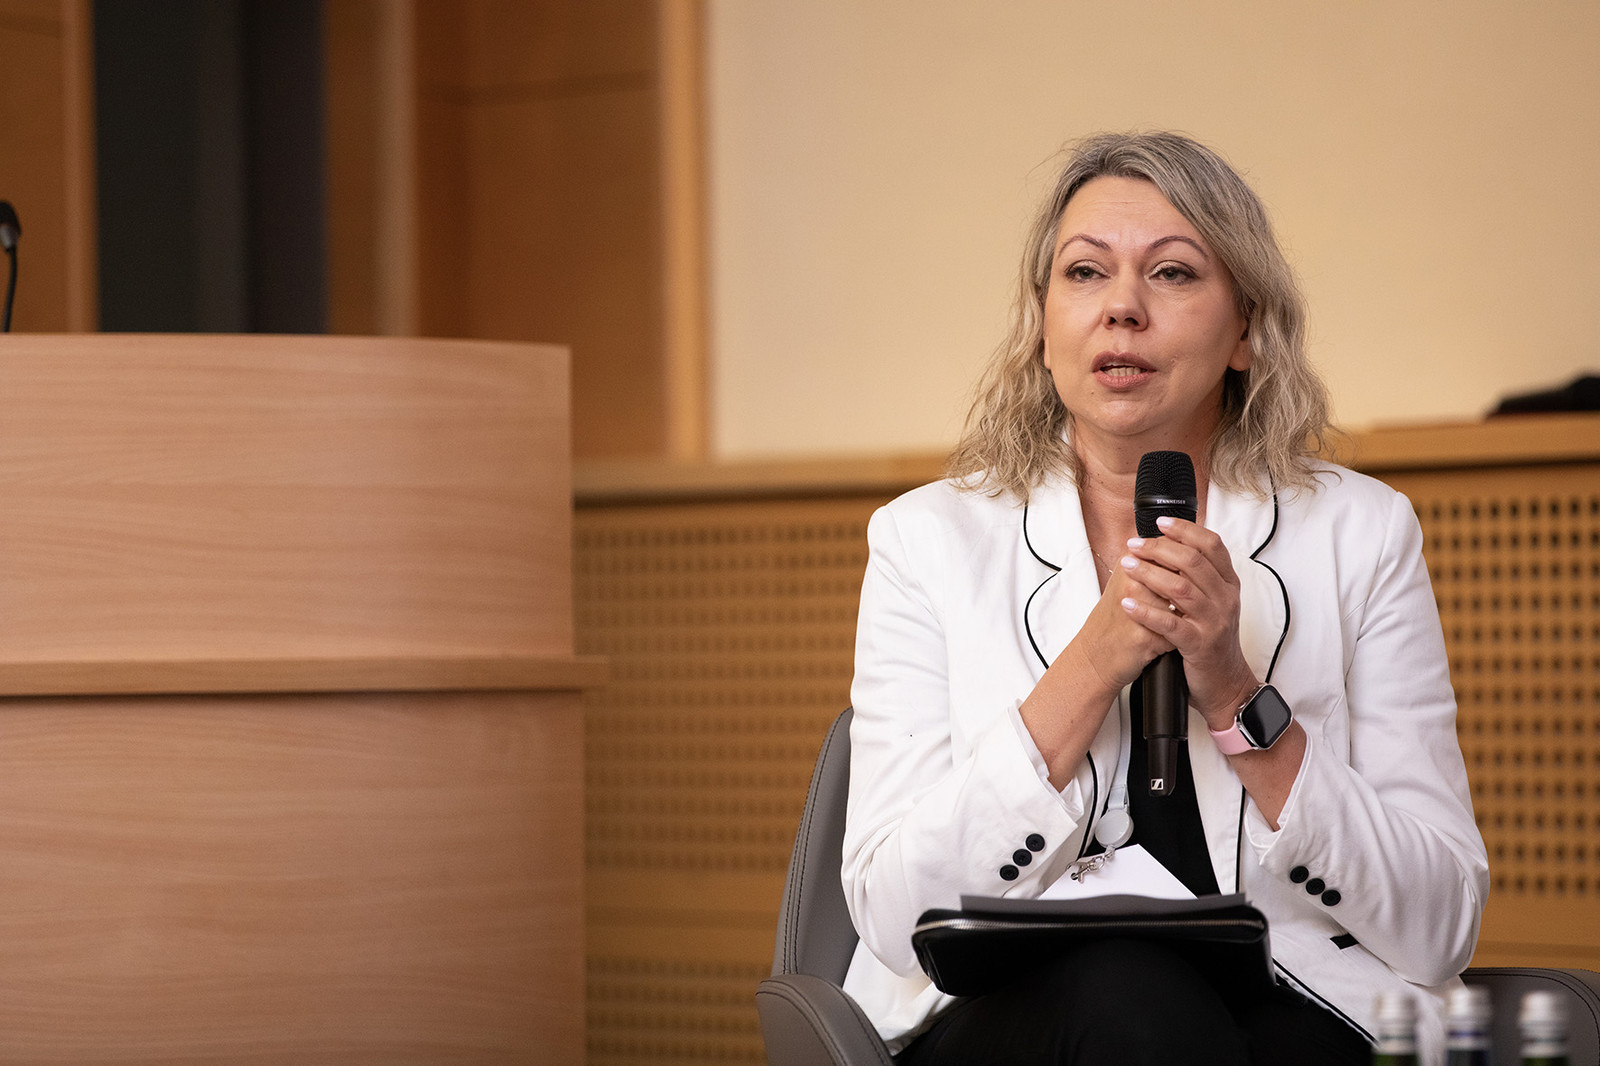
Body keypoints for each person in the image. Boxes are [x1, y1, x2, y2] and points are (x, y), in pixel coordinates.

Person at [840, 131, 1489, 1066]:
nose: (1122, 308)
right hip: (1011, 1014)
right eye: (1084, 272)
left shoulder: (1363, 533)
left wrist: (1236, 695)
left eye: (1173, 273)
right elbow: (896, 916)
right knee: (1128, 998)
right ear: (1041, 325)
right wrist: (1093, 664)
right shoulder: (926, 540)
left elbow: (1440, 922)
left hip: (1292, 996)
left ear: (1247, 330)